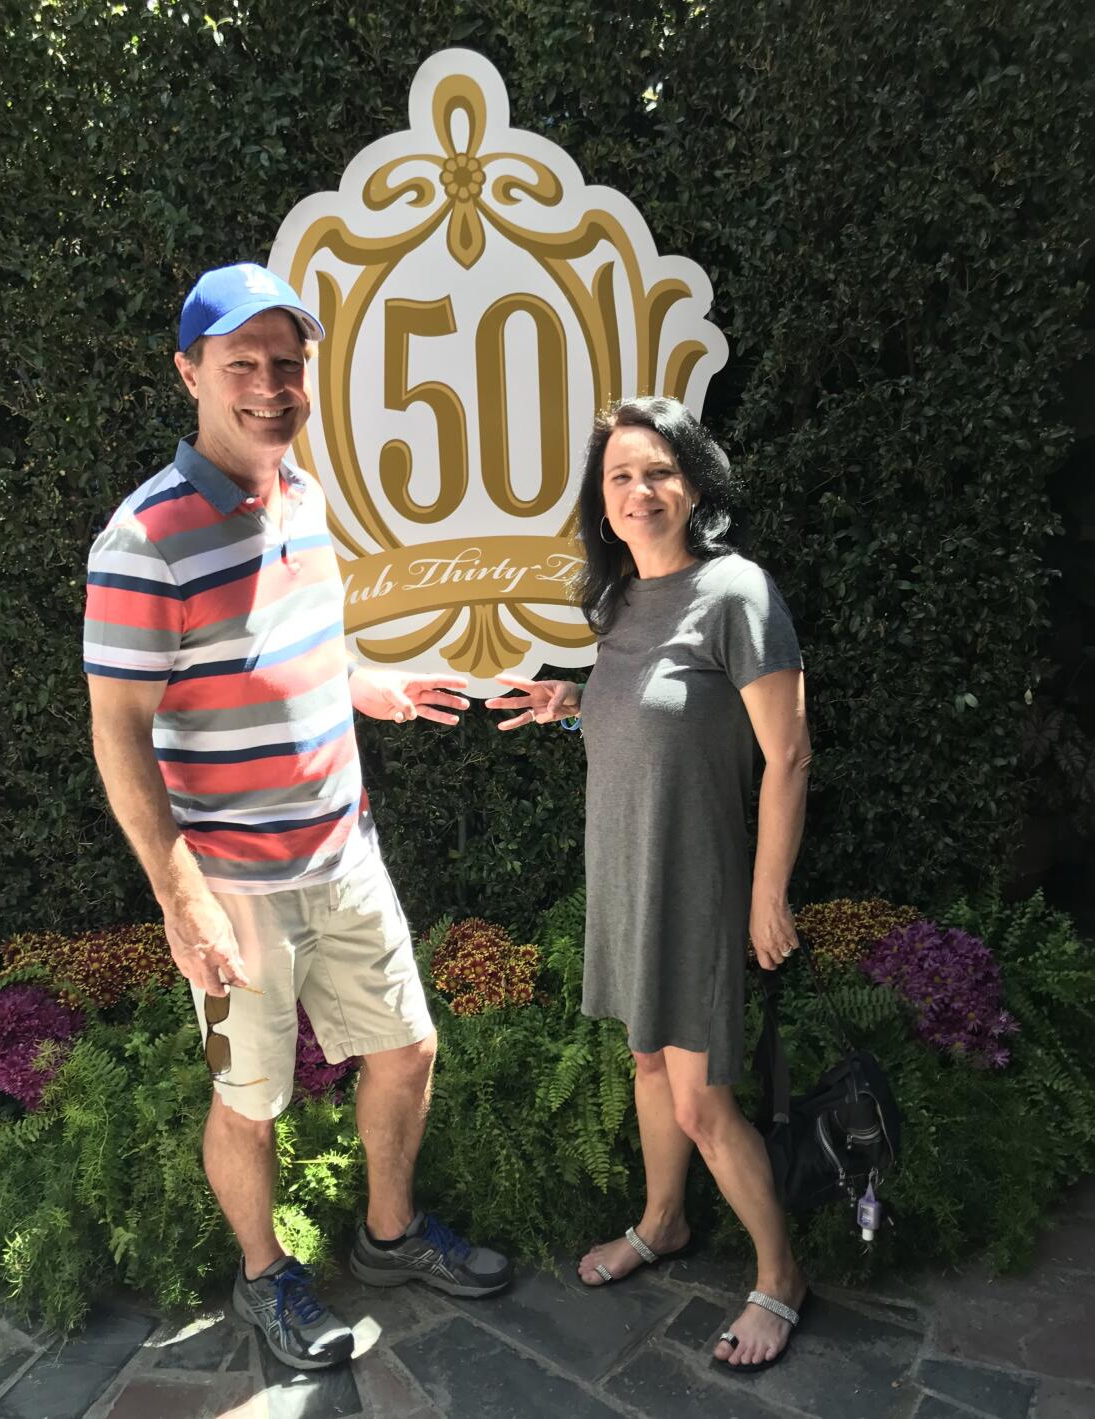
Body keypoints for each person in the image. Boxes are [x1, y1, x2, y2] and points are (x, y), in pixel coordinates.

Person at [83, 262, 510, 1371]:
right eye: (243, 366)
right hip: (235, 890)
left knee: (408, 1051)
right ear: (190, 374)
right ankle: (265, 1277)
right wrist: (184, 901)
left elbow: (297, 646)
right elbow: (119, 733)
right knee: (252, 1099)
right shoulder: (145, 541)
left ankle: (389, 1236)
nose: (271, 386)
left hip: (345, 850)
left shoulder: (304, 496)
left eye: (288, 363)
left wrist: (372, 689)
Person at [486, 395, 811, 1374]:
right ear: (603, 498)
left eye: (658, 471)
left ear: (697, 484)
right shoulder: (623, 599)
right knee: (646, 1066)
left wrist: (767, 894)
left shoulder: (739, 592)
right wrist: (575, 702)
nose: (638, 490)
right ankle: (663, 1221)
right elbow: (659, 715)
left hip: (703, 886)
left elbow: (788, 757)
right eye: (620, 476)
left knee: (705, 1100)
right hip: (625, 874)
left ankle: (781, 1277)